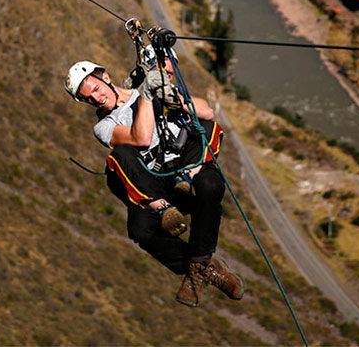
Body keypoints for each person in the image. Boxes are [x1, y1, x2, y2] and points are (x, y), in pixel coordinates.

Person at [64, 53, 244, 307]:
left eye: (95, 88)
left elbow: (206, 111)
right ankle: (193, 253)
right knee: (138, 224)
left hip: (188, 168)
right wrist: (148, 97)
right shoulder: (104, 127)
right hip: (158, 187)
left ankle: (199, 267)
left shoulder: (147, 89)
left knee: (209, 178)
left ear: (105, 77)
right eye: (87, 98)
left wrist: (171, 95)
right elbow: (141, 139)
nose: (96, 98)